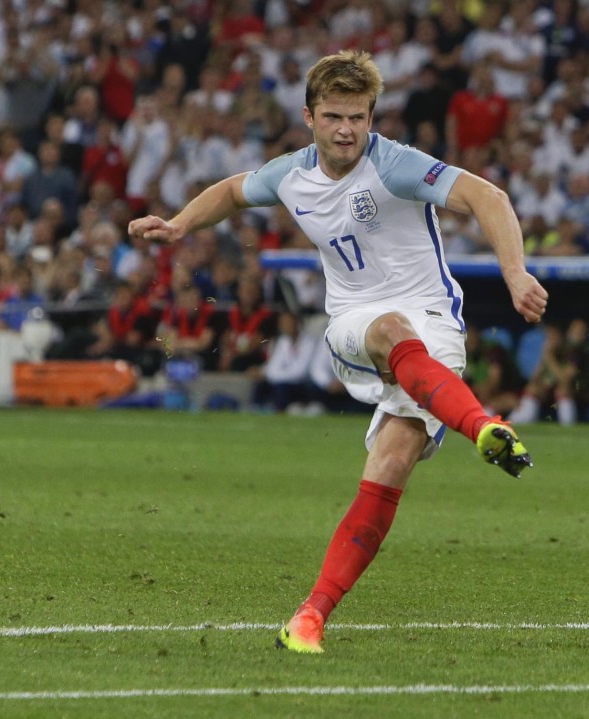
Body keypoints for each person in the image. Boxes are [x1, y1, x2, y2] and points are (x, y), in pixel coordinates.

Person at [128, 50, 548, 654]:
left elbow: (490, 198)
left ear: (372, 116)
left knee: (393, 459)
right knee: (388, 327)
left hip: (436, 329)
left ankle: (310, 616)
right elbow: (231, 192)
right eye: (334, 117)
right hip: (356, 325)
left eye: (357, 117)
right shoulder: (290, 174)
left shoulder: (397, 165)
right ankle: (483, 424)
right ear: (309, 117)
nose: (347, 129)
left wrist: (514, 273)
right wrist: (179, 226)